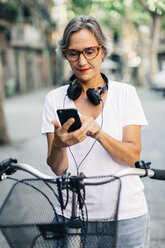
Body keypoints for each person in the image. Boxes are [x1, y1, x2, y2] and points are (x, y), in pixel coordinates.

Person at [41, 16, 150, 248]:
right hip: (73, 217)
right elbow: (57, 168)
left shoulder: (125, 94)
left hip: (126, 216)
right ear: (65, 55)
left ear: (102, 51)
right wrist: (59, 144)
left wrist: (99, 134)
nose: (82, 61)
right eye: (73, 53)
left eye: (89, 51)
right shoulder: (54, 99)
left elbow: (133, 157)